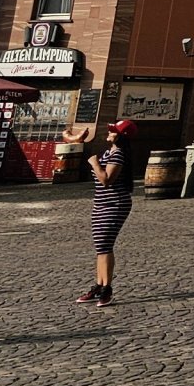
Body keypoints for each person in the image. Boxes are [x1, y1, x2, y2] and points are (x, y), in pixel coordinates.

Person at [78, 118, 140, 308]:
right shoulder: (109, 152)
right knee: (100, 246)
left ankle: (107, 289)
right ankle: (99, 284)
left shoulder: (118, 155)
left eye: (113, 131)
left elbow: (107, 180)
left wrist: (94, 164)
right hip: (101, 204)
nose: (109, 133)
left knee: (105, 245)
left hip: (115, 204)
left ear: (121, 136)